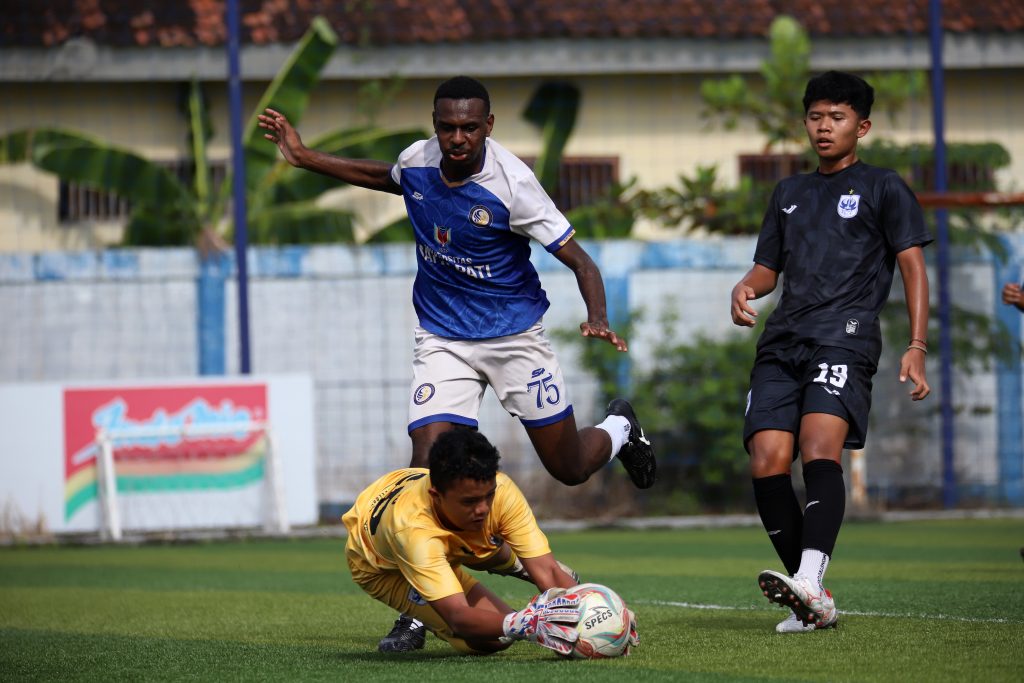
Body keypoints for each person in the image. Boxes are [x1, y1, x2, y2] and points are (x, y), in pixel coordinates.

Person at [260, 75, 655, 650]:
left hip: (514, 337)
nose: (457, 137)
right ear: (435, 124)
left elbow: (583, 261)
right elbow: (384, 178)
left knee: (568, 466)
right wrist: (302, 156)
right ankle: (422, 609)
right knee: (426, 467)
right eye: (447, 126)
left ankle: (619, 428)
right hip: (442, 336)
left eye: (470, 127)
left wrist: (597, 316)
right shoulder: (418, 161)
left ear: (488, 127)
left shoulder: (515, 183)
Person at [729, 70, 932, 633]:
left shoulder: (884, 187)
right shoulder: (788, 193)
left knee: (821, 448)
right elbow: (768, 270)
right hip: (782, 341)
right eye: (816, 116)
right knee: (766, 458)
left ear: (861, 126)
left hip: (845, 337)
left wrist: (916, 346)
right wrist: (745, 287)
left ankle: (811, 581)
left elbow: (914, 269)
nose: (824, 127)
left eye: (837, 117)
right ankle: (811, 596)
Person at [341, 427, 638, 655]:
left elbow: (550, 575)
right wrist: (525, 623)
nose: (483, 507)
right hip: (382, 566)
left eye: (488, 495)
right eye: (470, 500)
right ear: (437, 495)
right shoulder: (412, 532)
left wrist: (603, 614)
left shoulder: (502, 491)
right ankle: (498, 562)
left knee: (490, 539)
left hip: (447, 529)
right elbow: (459, 617)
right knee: (493, 639)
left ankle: (511, 561)